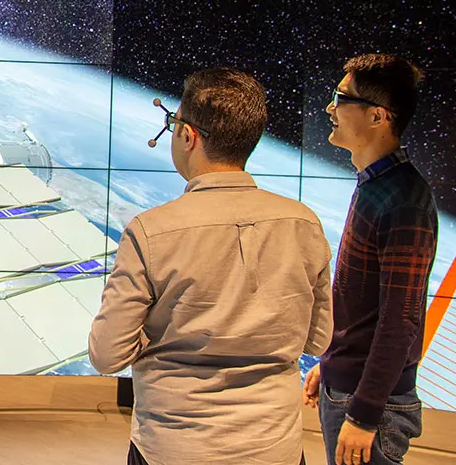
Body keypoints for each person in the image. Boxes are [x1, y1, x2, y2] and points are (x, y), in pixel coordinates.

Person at [89, 67, 334, 465]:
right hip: (275, 448)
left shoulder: (150, 231)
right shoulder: (304, 224)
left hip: (174, 448)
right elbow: (317, 339)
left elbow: (107, 354)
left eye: (172, 123)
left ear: (188, 135)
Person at [302, 53, 435, 465]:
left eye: (341, 98)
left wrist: (363, 413)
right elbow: (365, 305)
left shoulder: (404, 201)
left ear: (377, 117)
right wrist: (332, 362)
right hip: (349, 385)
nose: (329, 108)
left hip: (367, 404)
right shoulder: (377, 185)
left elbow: (400, 321)